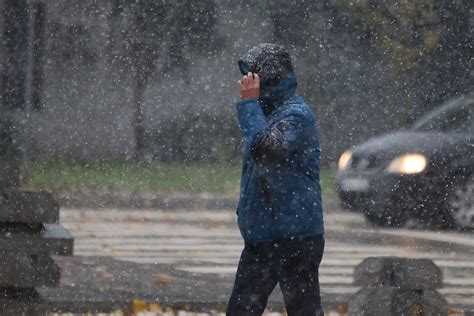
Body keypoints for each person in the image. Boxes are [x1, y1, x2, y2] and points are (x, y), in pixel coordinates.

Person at [226, 43, 325, 316]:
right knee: (240, 310)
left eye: (252, 76)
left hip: (296, 238)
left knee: (304, 310)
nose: (244, 83)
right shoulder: (266, 112)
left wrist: (248, 103)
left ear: (268, 78)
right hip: (262, 235)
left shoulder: (295, 115)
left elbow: (265, 150)